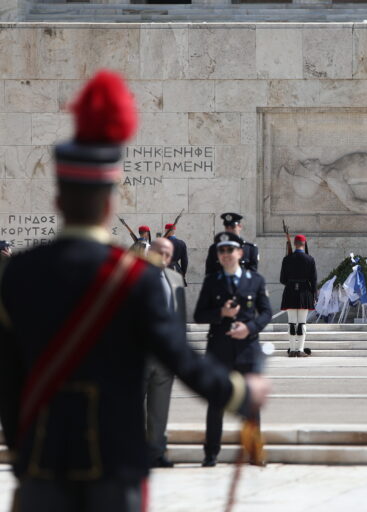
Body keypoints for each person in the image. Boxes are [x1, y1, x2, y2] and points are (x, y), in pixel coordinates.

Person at [0, 71, 269, 512]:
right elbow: (180, 361)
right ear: (110, 203)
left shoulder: (21, 274)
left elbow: (7, 380)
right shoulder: (134, 278)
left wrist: (23, 452)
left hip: (42, 466)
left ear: (58, 200)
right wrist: (241, 393)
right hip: (115, 465)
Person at [194, 231, 272, 467]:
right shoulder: (212, 281)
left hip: (247, 348)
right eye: (222, 251)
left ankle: (254, 451)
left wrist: (249, 328)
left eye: (230, 250)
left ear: (240, 252)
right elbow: (199, 315)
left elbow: (266, 312)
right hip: (219, 350)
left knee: (250, 405)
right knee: (216, 403)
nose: (226, 254)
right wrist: (221, 314)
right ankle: (211, 453)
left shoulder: (255, 280)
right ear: (218, 255)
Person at [144, 238, 185, 468]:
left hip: (165, 357)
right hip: (138, 355)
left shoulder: (176, 279)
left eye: (168, 254)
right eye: (160, 252)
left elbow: (179, 319)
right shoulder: (132, 278)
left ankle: (157, 452)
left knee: (160, 409)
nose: (164, 257)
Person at [280, 234, 317, 357]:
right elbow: (314, 280)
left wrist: (292, 282)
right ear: (304, 244)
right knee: (302, 323)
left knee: (291, 322)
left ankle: (292, 349)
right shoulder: (310, 259)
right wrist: (313, 294)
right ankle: (300, 350)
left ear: (294, 244)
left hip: (290, 291)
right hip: (305, 292)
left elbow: (282, 279)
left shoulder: (286, 259)